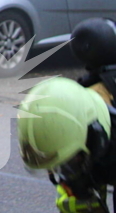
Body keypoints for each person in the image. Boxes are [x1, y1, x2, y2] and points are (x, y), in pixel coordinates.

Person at [18, 76, 116, 213]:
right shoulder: (75, 112)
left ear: (95, 138)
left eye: (70, 164)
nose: (65, 175)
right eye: (58, 168)